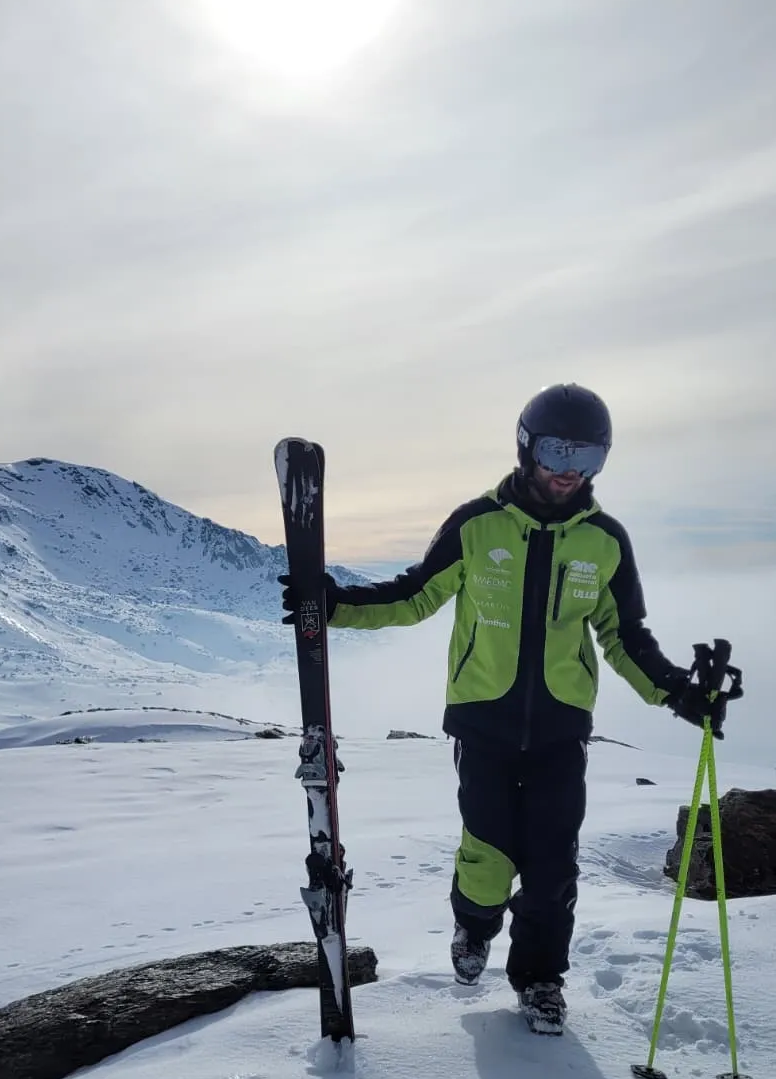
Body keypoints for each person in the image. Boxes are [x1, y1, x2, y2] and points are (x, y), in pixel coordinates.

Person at [280, 383, 723, 1035]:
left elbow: (625, 637)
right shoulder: (477, 524)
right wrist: (337, 605)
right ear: (526, 447)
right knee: (487, 855)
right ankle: (475, 925)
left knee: (552, 867)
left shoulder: (604, 542)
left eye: (589, 457)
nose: (571, 471)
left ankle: (540, 979)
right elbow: (415, 595)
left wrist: (678, 691)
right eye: (558, 452)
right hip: (483, 721)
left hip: (560, 729)